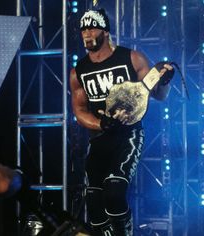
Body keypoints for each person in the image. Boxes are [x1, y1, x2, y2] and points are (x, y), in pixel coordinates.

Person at [70, 8, 174, 236]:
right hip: (99, 140)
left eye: (92, 27)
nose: (87, 33)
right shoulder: (78, 72)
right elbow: (79, 111)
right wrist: (101, 124)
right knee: (94, 204)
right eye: (83, 29)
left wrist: (164, 80)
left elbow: (158, 94)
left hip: (128, 136)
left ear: (106, 31)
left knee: (114, 192)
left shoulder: (132, 58)